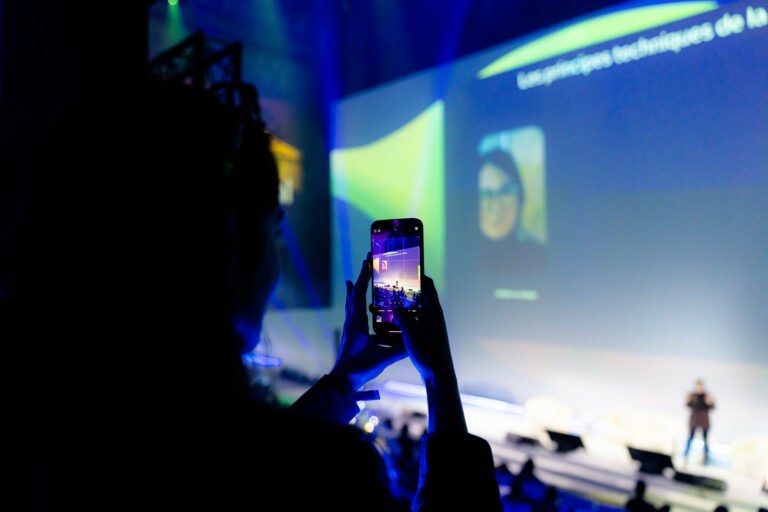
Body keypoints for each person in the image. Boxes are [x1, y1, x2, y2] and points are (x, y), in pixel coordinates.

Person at [0, 79, 501, 511]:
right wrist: (438, 374)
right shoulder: (331, 479)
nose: (276, 260)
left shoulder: (51, 443)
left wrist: (343, 382)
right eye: (274, 231)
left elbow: (226, 456)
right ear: (227, 242)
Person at [684, 379, 715, 462]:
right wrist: (687, 400)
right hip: (694, 420)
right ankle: (686, 454)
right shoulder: (693, 396)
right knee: (690, 438)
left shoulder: (706, 396)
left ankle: (706, 457)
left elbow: (712, 407)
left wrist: (710, 402)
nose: (699, 389)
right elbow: (688, 405)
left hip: (704, 421)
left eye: (700, 387)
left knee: (705, 439)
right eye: (698, 387)